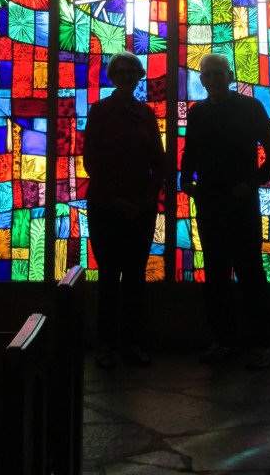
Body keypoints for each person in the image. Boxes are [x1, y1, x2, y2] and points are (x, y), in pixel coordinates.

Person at [180, 53, 270, 369]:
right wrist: (187, 182)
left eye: (217, 74)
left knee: (250, 272)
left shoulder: (250, 108)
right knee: (215, 274)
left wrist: (250, 183)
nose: (211, 80)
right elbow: (191, 152)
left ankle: (263, 342)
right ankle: (225, 340)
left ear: (229, 75)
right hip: (210, 203)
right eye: (205, 75)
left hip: (240, 204)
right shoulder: (198, 113)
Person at [82, 51, 166, 368]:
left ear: (139, 76)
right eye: (122, 72)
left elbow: (158, 160)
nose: (128, 77)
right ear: (112, 77)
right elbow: (92, 161)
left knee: (134, 277)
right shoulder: (100, 111)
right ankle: (107, 344)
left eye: (133, 72)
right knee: (109, 276)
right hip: (107, 206)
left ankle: (130, 343)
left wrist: (147, 198)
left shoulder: (145, 114)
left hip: (140, 207)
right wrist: (116, 198)